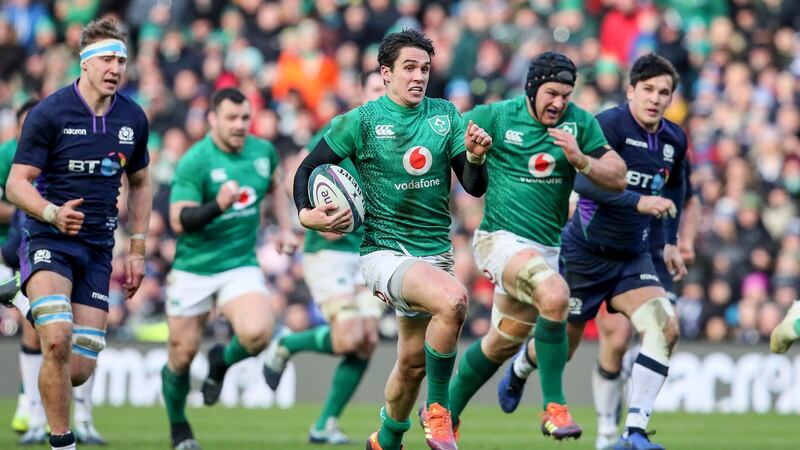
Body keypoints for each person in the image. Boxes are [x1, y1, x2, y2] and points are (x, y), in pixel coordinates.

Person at [293, 28, 492, 450]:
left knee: (412, 363)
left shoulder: (445, 116)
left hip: (434, 255)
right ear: (386, 73)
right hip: (384, 253)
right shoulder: (362, 121)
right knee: (454, 300)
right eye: (409, 68)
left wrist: (475, 158)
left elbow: (474, 188)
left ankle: (385, 440)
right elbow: (307, 168)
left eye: (425, 68)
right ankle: (439, 411)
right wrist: (306, 213)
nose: (418, 76)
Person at [505, 53, 688, 450]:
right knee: (564, 349)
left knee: (665, 327)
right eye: (648, 90)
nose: (655, 99)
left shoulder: (674, 139)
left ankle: (633, 431)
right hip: (585, 254)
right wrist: (639, 202)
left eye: (664, 92)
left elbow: (675, 186)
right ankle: (521, 366)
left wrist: (670, 240)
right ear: (630, 91)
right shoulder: (608, 126)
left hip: (632, 256)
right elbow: (585, 183)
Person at [447, 51, 628, 441]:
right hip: (499, 241)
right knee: (556, 293)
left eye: (566, 95)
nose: (559, 103)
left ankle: (446, 415)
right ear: (531, 88)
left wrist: (581, 160)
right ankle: (554, 408)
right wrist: (469, 154)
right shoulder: (497, 116)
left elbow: (618, 176)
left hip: (545, 250)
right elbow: (444, 139)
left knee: (501, 343)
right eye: (551, 93)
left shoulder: (580, 123)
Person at [6, 18, 151, 450]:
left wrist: (137, 249)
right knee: (56, 339)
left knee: (78, 369)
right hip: (49, 239)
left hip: (98, 248)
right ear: (84, 63)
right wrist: (51, 213)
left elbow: (141, 183)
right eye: (106, 59)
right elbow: (16, 184)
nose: (115, 68)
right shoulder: (49, 113)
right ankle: (61, 440)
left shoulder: (133, 117)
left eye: (121, 60)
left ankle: (20, 297)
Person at [161, 87, 296, 450]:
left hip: (239, 263)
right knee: (181, 356)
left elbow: (275, 188)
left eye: (245, 118)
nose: (239, 125)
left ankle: (221, 362)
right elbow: (178, 221)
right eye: (231, 118)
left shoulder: (263, 151)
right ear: (212, 119)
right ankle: (179, 427)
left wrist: (285, 229)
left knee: (258, 334)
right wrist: (217, 206)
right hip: (194, 268)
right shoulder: (195, 161)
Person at [261, 70, 386, 445]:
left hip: (372, 251)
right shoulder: (344, 129)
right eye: (376, 89)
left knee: (366, 340)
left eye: (386, 89)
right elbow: (295, 174)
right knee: (351, 337)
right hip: (329, 252)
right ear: (362, 93)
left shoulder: (397, 138)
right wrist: (311, 216)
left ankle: (324, 424)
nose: (382, 95)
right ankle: (288, 344)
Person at [1, 100, 108, 446]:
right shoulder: (9, 156)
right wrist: (43, 210)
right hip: (30, 240)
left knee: (68, 345)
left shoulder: (64, 142)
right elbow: (14, 196)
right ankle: (36, 416)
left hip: (77, 244)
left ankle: (79, 419)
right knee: (49, 334)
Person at [591, 160, 698, 450]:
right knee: (616, 338)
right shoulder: (612, 142)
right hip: (618, 250)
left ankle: (632, 420)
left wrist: (686, 240)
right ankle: (606, 432)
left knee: (666, 331)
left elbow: (690, 200)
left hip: (659, 255)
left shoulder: (671, 145)